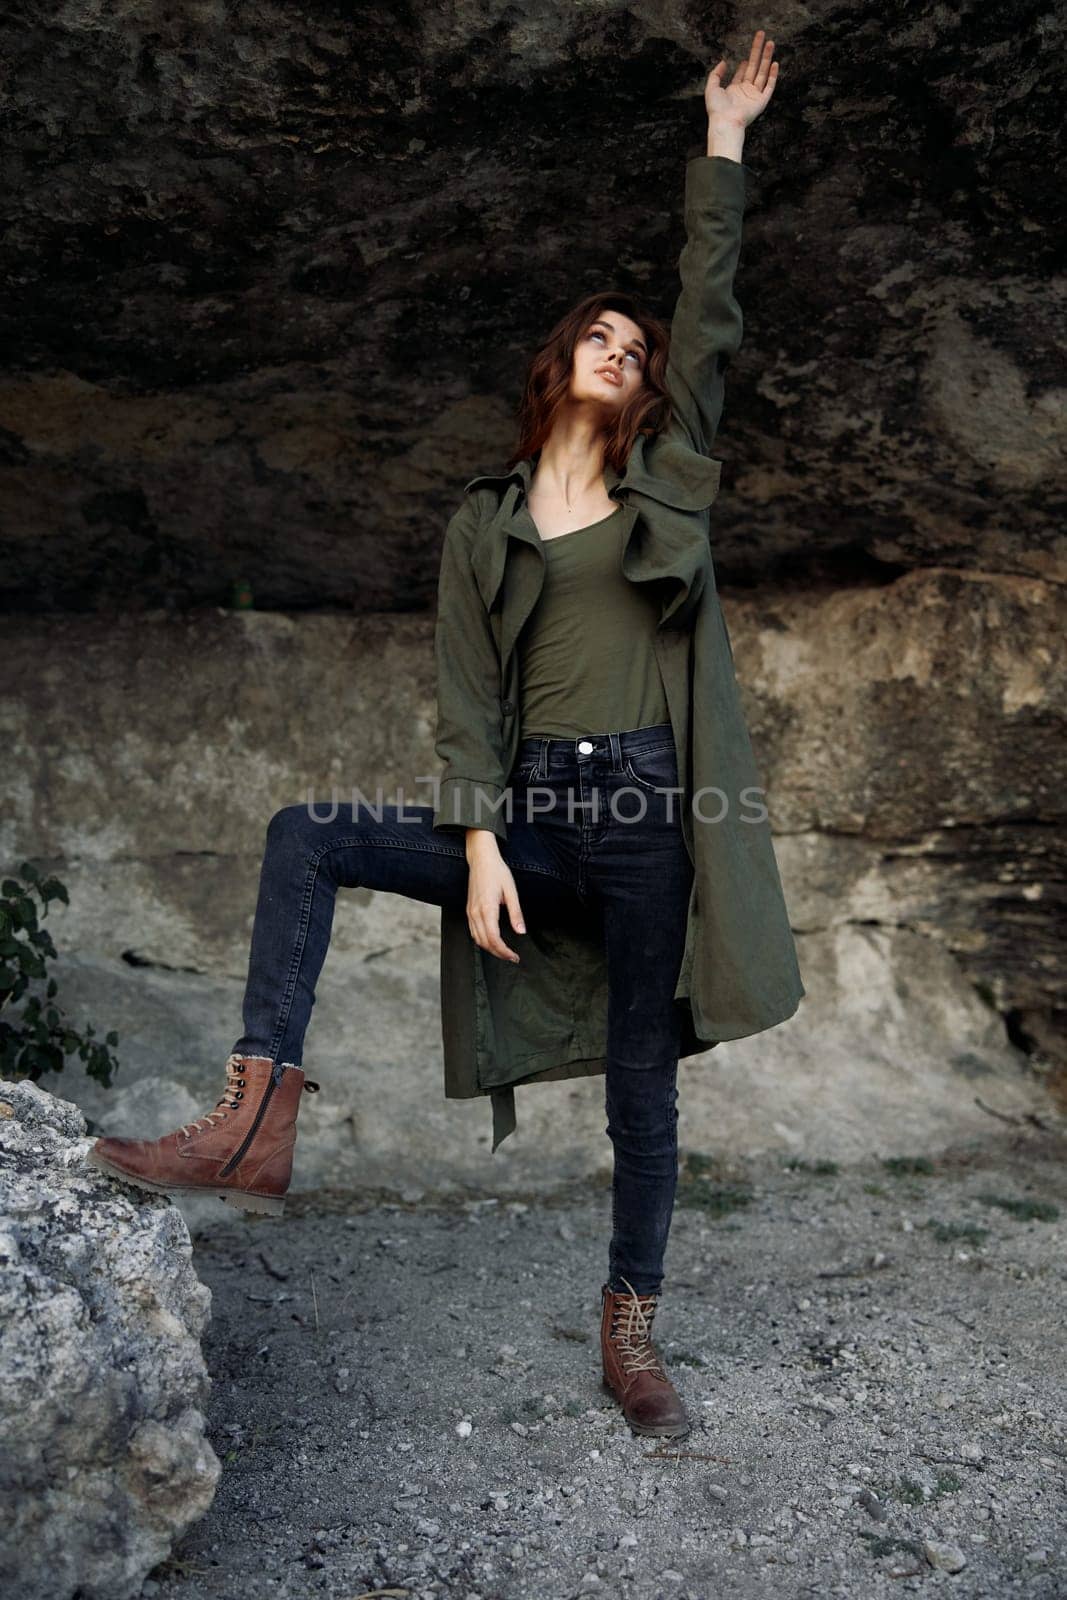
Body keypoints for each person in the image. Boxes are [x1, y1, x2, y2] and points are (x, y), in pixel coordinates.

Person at [90, 33, 786, 1441]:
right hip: (528, 817)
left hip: (651, 823)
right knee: (310, 833)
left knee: (643, 1099)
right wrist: (477, 846)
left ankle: (634, 1332)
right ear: (557, 363)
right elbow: (466, 690)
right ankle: (252, 1116)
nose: (625, 349)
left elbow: (708, 322)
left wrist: (721, 150)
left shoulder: (665, 491)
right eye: (602, 334)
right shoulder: (485, 522)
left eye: (636, 348)